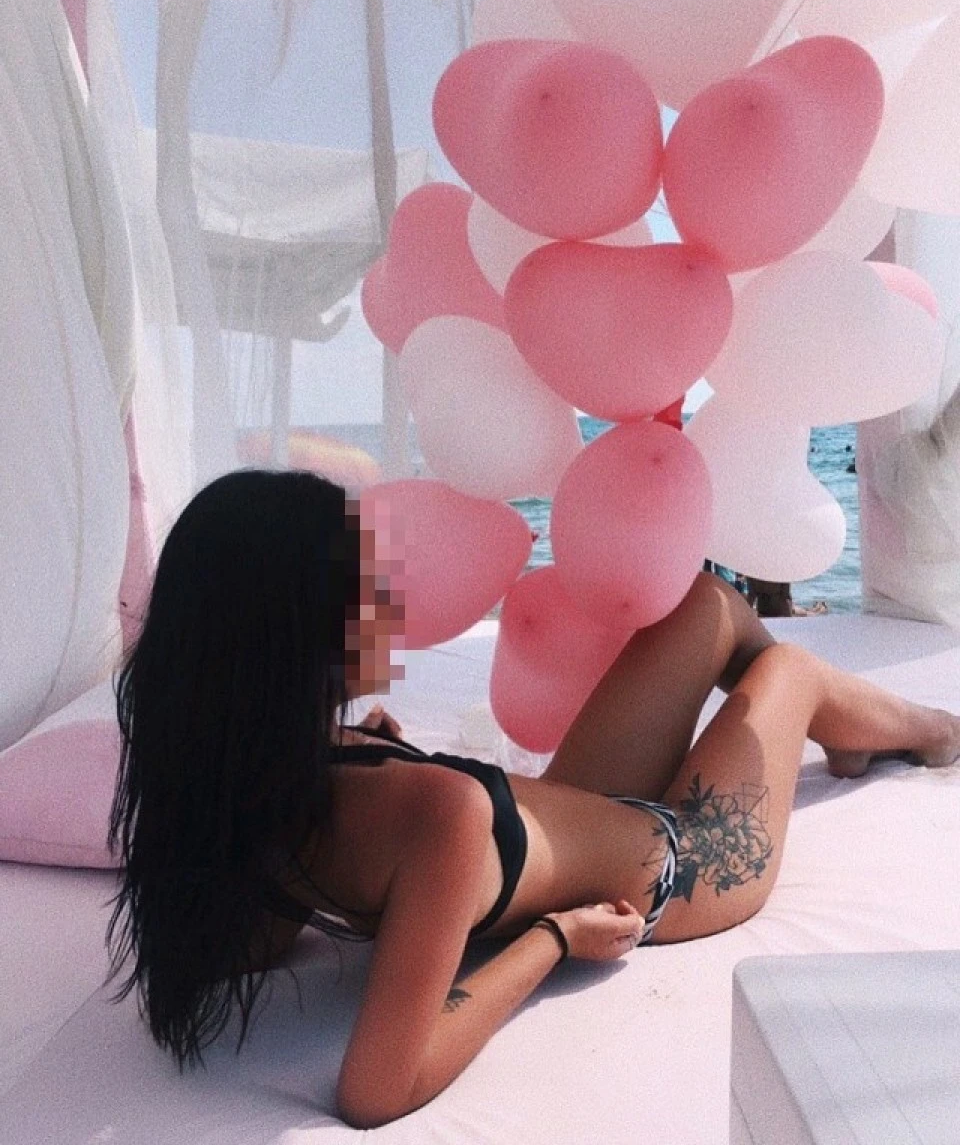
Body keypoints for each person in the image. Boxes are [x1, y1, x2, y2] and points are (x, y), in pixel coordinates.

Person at [107, 470, 960, 1129]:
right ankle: (934, 730)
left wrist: (363, 751)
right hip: (690, 859)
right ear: (301, 636)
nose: (389, 602)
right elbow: (375, 1090)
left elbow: (265, 933)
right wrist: (555, 940)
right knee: (788, 671)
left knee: (707, 604)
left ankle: (840, 735)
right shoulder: (435, 814)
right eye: (363, 587)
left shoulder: (248, 785)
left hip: (565, 812)